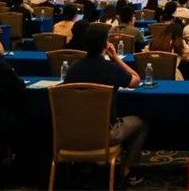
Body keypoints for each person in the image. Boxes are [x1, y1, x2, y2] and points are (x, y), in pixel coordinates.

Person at [63, 27, 147, 185]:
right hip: (105, 133)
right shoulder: (111, 68)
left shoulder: (73, 68)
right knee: (140, 123)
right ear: (105, 45)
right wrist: (116, 59)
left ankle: (84, 168)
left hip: (73, 132)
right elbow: (136, 80)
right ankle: (128, 171)